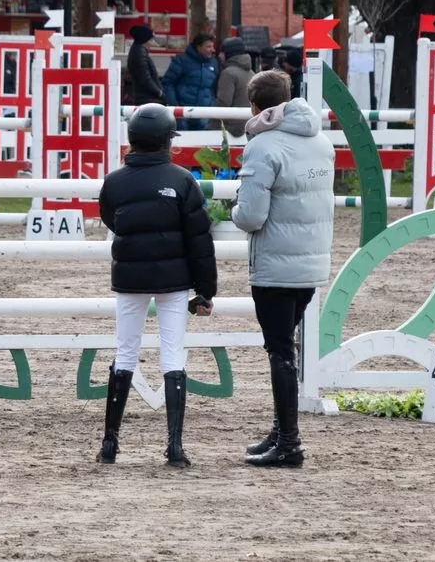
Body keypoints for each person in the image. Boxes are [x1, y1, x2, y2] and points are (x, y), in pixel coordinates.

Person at [96, 104, 217, 468]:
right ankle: (175, 447)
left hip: (130, 279)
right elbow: (200, 241)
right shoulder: (182, 181)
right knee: (172, 353)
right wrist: (206, 290)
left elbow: (111, 219)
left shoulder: (114, 181)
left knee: (125, 351)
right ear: (167, 140)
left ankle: (110, 444)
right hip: (174, 281)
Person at [231, 69, 334, 468]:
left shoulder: (263, 146)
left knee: (279, 352)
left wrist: (234, 210)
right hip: (311, 261)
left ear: (256, 106)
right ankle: (279, 431)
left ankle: (289, 442)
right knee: (284, 346)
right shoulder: (321, 141)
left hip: (276, 263)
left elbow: (252, 216)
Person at [162, 33, 219, 130]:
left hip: (204, 113)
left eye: (212, 46)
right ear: (198, 47)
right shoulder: (181, 61)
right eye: (208, 46)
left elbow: (214, 87)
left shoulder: (214, 63)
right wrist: (174, 105)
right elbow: (168, 83)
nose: (212, 50)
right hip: (183, 113)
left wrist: (212, 104)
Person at [214, 36, 251, 137]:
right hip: (247, 127)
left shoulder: (228, 73)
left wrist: (210, 122)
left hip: (228, 129)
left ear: (229, 53)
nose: (219, 55)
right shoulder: (252, 72)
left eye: (222, 51)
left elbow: (223, 103)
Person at [126, 24, 164, 105]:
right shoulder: (140, 54)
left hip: (145, 97)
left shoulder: (139, 51)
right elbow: (145, 78)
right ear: (145, 40)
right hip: (147, 98)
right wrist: (159, 92)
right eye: (151, 39)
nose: (153, 42)